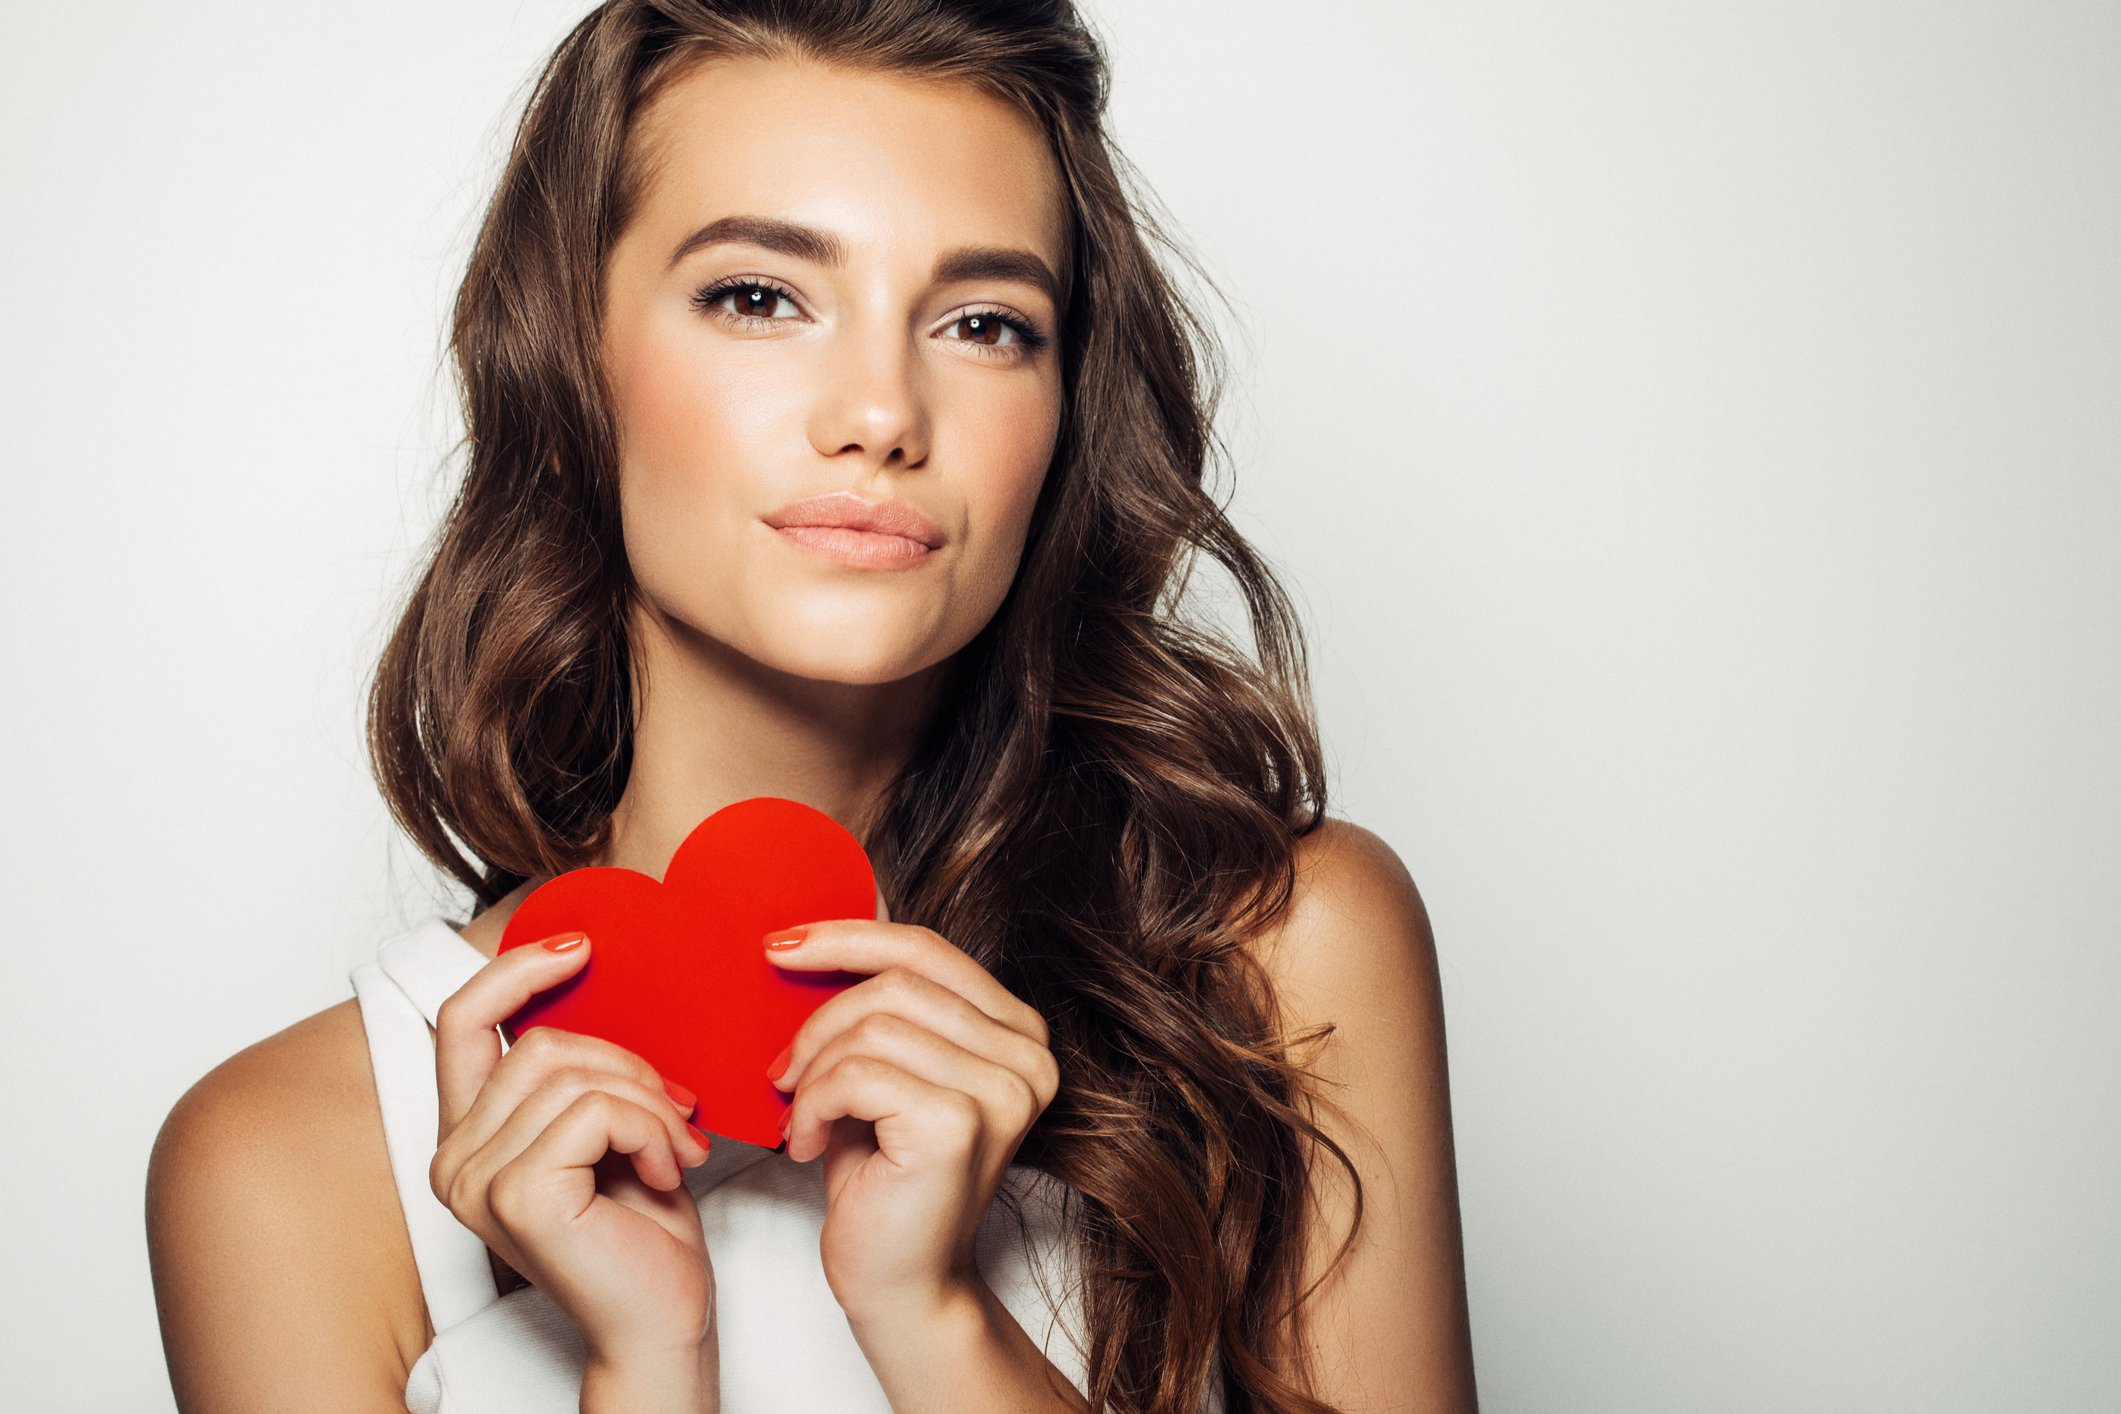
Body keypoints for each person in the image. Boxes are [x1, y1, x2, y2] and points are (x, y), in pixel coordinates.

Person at [143, 2, 1477, 1410]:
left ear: (1067, 405)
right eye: (758, 296)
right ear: (569, 361)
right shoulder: (288, 1159)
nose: (881, 410)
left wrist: (937, 1316)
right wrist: (649, 1362)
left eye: (983, 322)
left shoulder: (1271, 951)